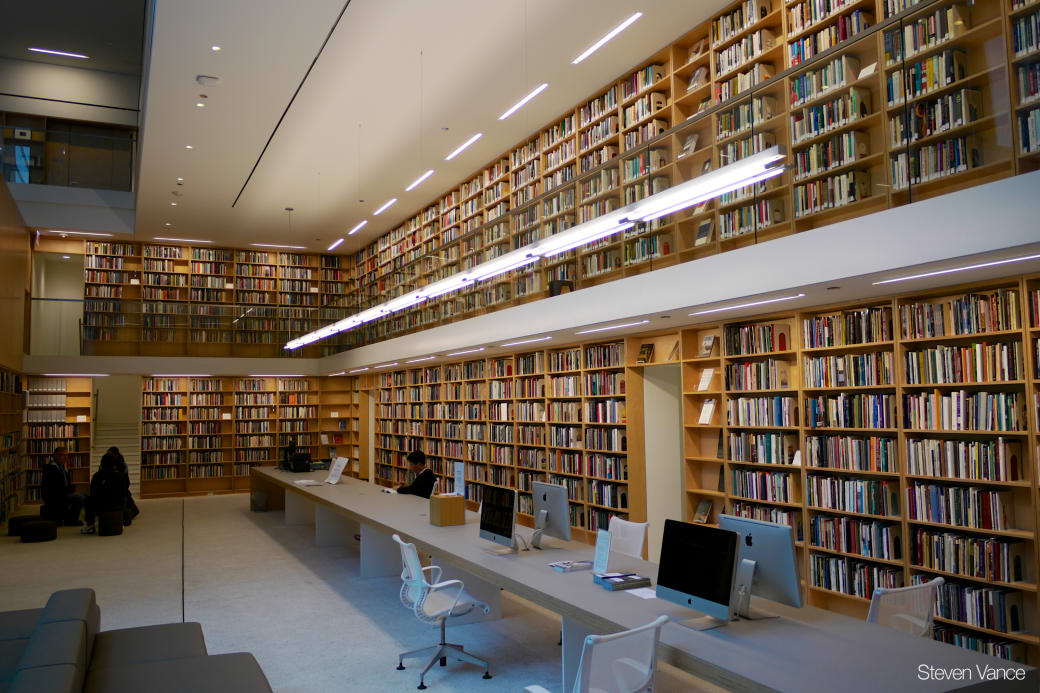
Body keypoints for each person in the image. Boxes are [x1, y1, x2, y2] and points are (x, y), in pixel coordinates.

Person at [81, 452, 130, 534]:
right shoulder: (120, 476)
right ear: (115, 465)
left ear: (101, 464)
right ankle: (120, 522)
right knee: (124, 497)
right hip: (117, 506)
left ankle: (90, 525)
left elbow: (92, 492)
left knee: (87, 499)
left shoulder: (97, 476)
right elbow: (124, 491)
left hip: (101, 506)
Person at [40, 447, 85, 526]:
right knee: (80, 497)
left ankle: (70, 517)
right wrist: (71, 491)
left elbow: (67, 483)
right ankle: (72, 520)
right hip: (54, 496)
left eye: (66, 455)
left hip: (62, 493)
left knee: (82, 495)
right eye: (62, 455)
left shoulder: (63, 467)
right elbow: (57, 488)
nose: (65, 457)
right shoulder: (51, 468)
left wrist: (71, 490)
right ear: (55, 456)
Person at [106, 446, 140, 520]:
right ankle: (133, 509)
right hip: (117, 483)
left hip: (122, 482)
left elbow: (123, 476)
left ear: (115, 454)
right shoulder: (107, 462)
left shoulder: (121, 464)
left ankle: (129, 510)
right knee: (124, 492)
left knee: (123, 491)